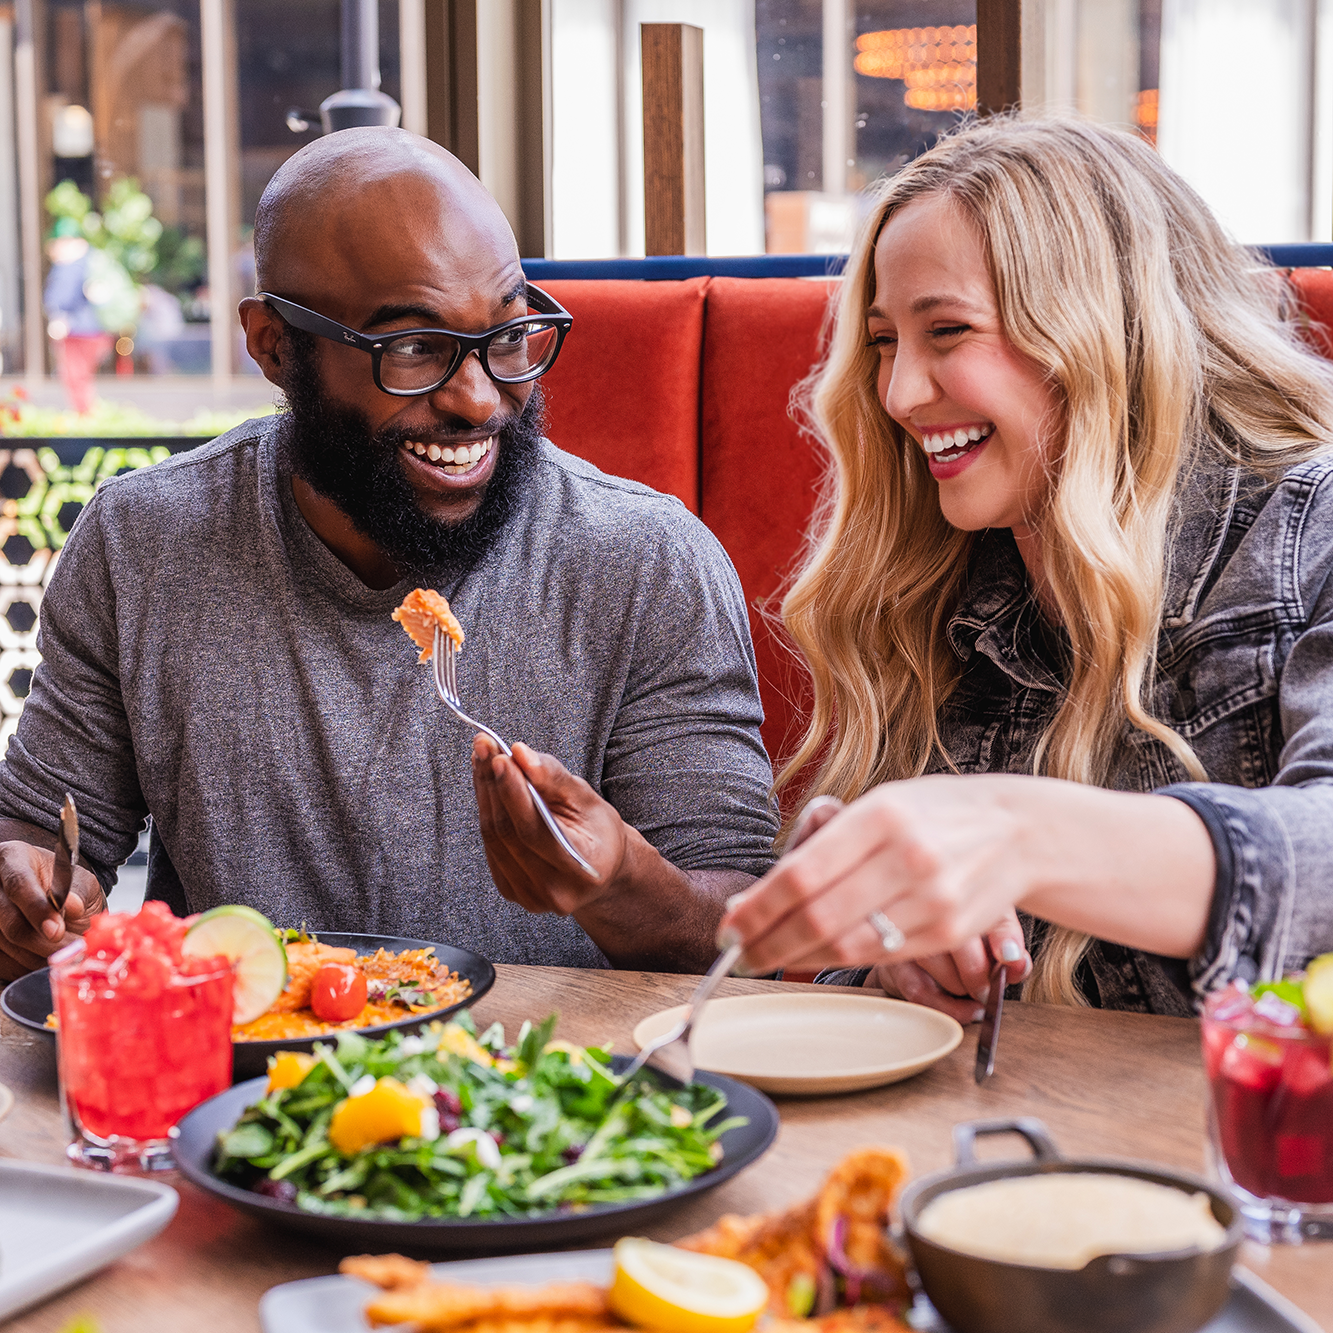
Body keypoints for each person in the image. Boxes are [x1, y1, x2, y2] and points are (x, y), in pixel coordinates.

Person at [0, 128, 777, 981]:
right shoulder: (142, 546)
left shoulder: (647, 563)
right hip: (247, 1096)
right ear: (272, 345)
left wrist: (620, 880)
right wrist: (28, 895)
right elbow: (42, 831)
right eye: (412, 347)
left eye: (508, 336)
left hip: (552, 1091)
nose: (477, 398)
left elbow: (741, 936)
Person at [719, 116, 1333, 1019]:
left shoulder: (1309, 525)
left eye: (949, 331)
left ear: (1105, 333)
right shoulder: (943, 585)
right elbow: (901, 985)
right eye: (886, 341)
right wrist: (903, 956)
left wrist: (1014, 834)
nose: (897, 393)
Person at [43, 218, 112, 415]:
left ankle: (85, 421)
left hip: (76, 332)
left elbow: (60, 299)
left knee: (76, 378)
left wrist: (58, 317)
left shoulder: (70, 265)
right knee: (84, 378)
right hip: (94, 330)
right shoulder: (92, 259)